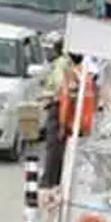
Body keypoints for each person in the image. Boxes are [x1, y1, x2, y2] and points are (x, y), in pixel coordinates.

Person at [46, 51, 99, 188]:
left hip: (72, 123)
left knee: (57, 151)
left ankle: (53, 181)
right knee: (74, 155)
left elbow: (66, 104)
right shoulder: (87, 80)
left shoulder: (72, 77)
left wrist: (62, 126)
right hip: (82, 124)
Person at [40, 35, 71, 188]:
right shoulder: (67, 63)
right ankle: (56, 178)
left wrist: (46, 97)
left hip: (58, 107)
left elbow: (60, 88)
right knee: (59, 146)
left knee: (53, 145)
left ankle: (49, 180)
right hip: (64, 107)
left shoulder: (61, 64)